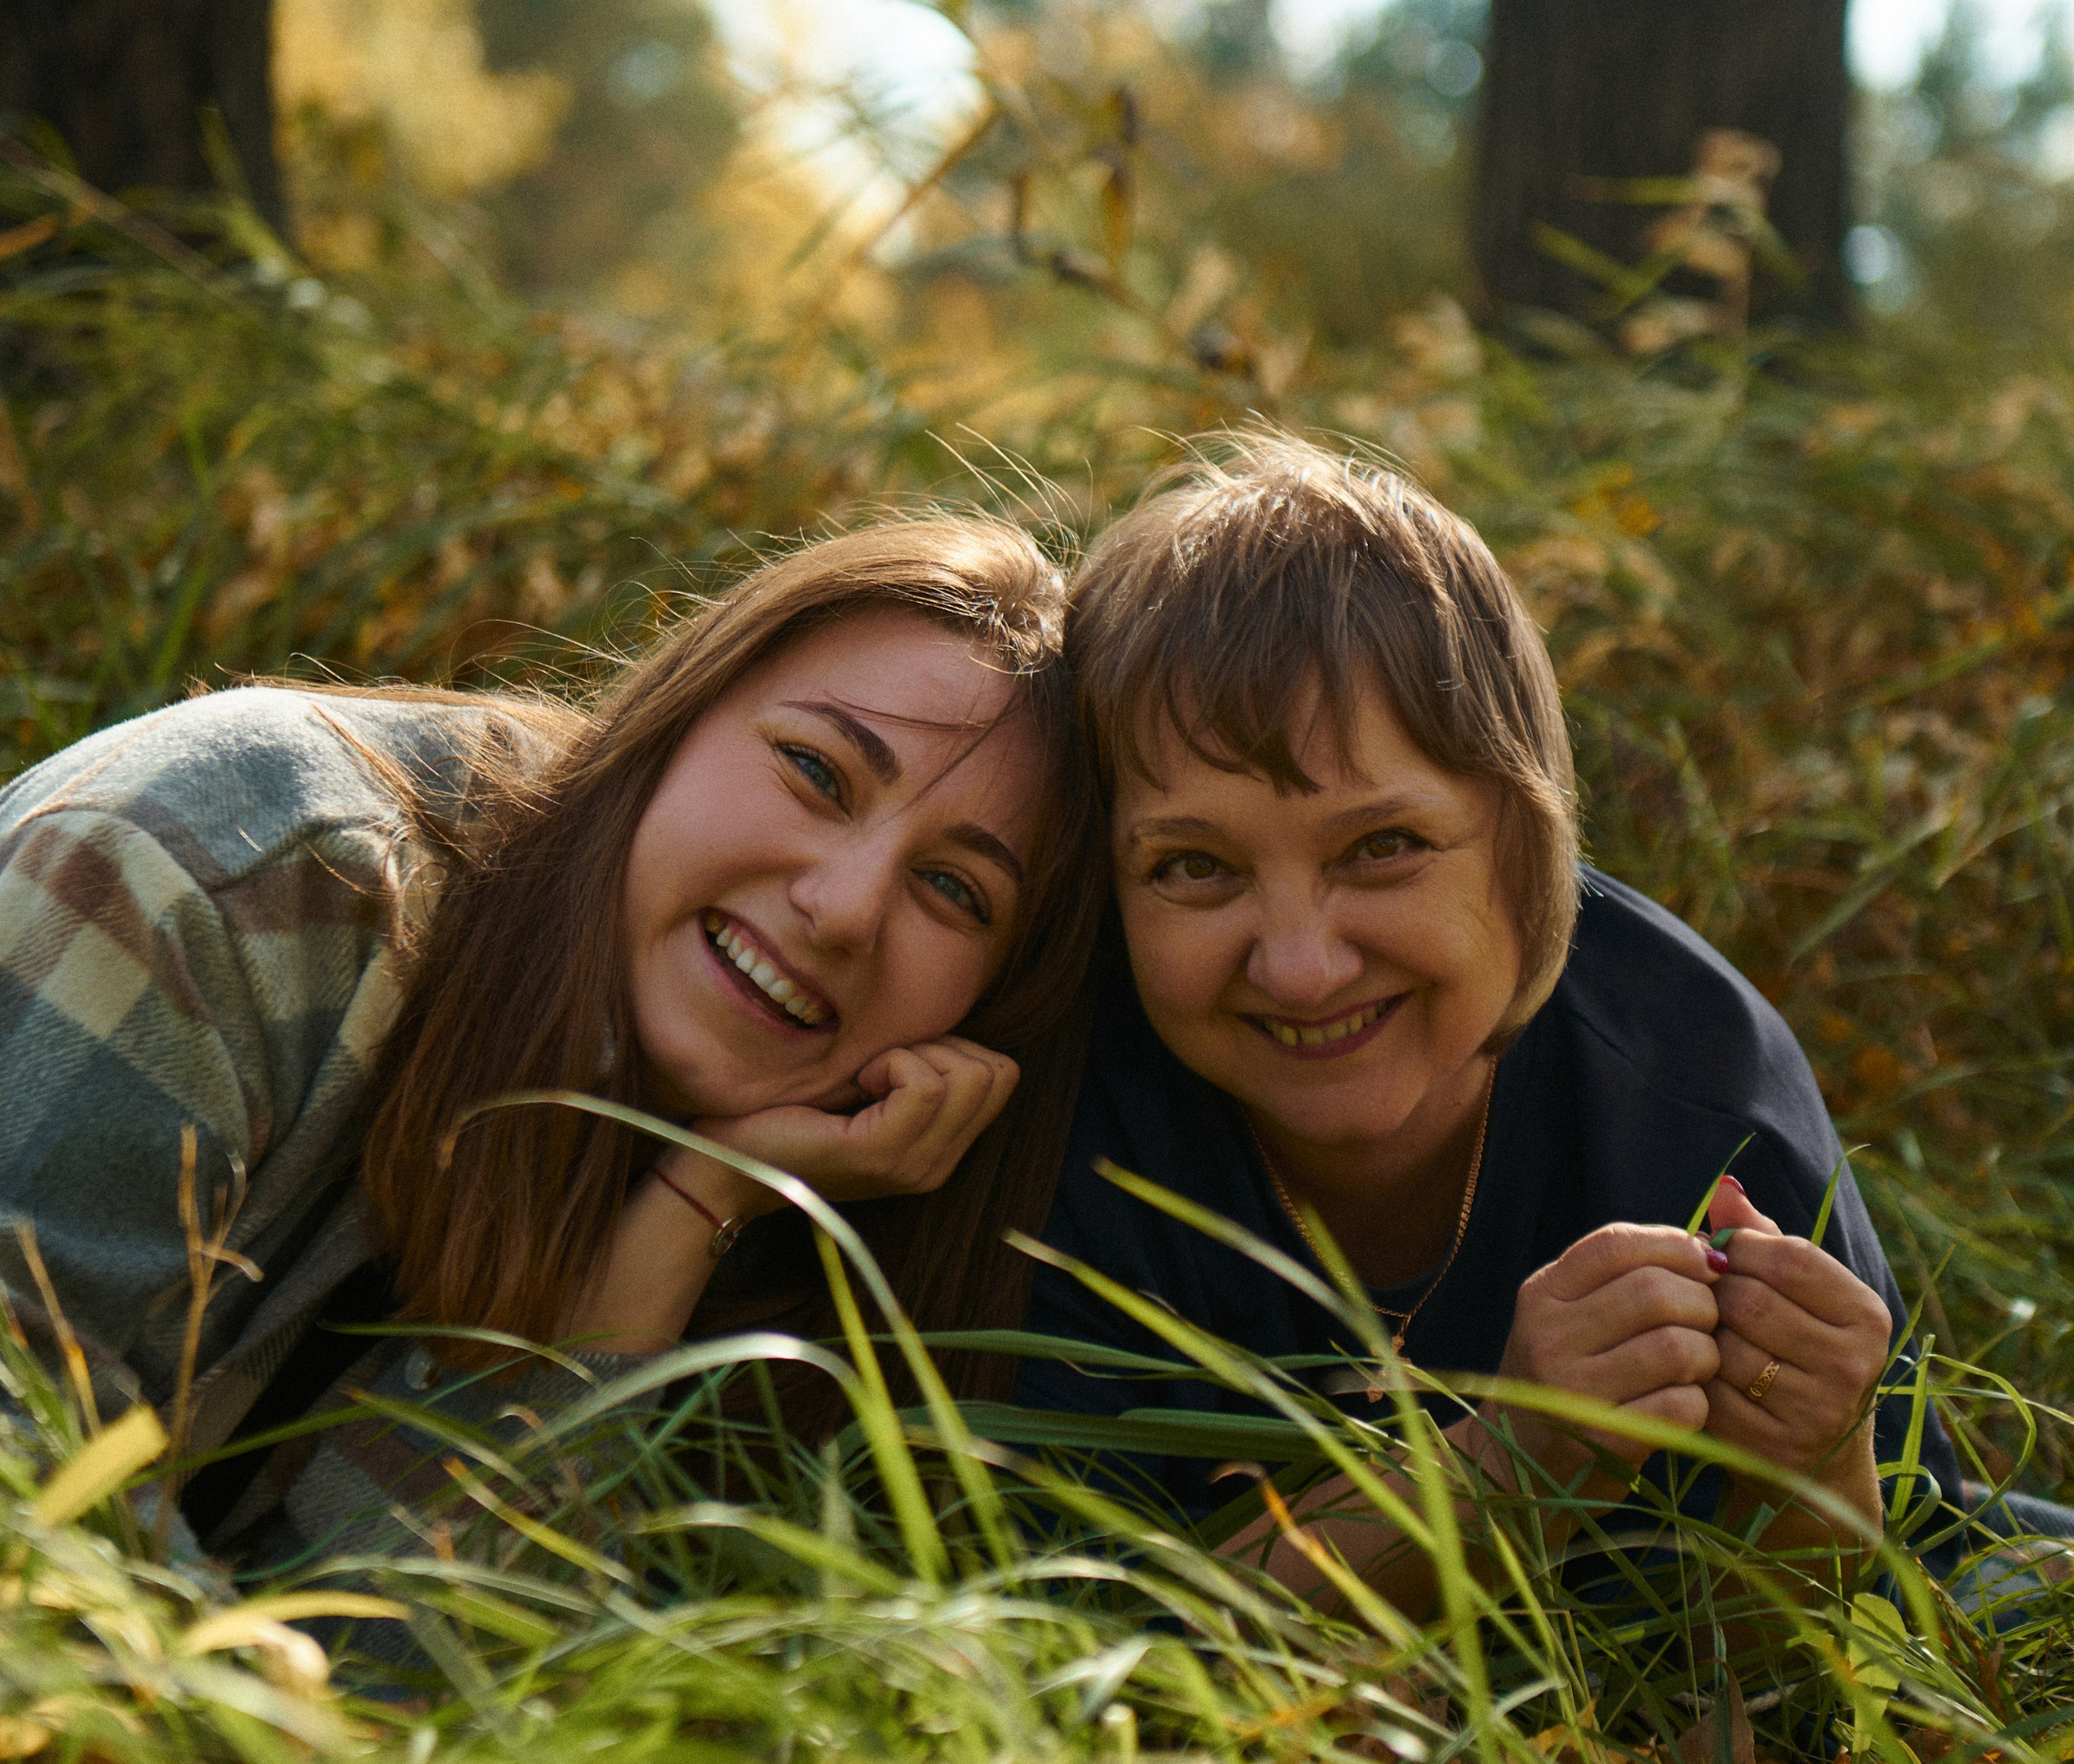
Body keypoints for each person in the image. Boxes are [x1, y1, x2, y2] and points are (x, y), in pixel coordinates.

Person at [1018, 435, 2034, 1620]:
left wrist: (1815, 1475)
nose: (1299, 965)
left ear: (1523, 839)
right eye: (1193, 866)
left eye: (1383, 847)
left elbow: (1849, 1640)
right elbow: (1090, 1639)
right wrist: (1506, 1466)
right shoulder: (1068, 1115)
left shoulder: (1699, 1097)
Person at [0, 515, 1101, 1567]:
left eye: (955, 890)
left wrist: (696, 1206)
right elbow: (23, 1479)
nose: (847, 910)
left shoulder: (788, 1223)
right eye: (817, 771)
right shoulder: (238, 876)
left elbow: (407, 1652)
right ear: (673, 720)